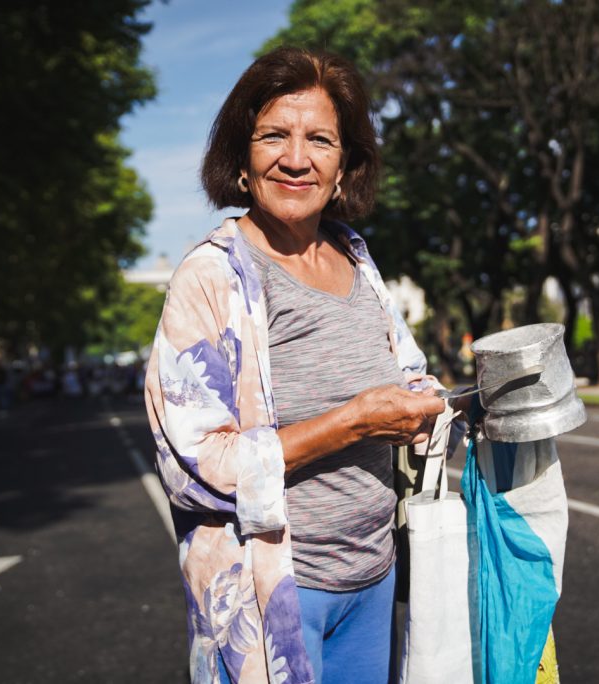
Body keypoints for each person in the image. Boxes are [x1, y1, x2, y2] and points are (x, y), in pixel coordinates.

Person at [145, 46, 447, 684]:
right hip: (276, 591)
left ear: (344, 166)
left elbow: (403, 371)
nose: (296, 158)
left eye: (320, 139)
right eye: (273, 136)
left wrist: (435, 404)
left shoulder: (356, 255)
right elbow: (192, 467)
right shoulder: (211, 275)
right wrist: (355, 423)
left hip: (374, 576)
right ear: (242, 160)